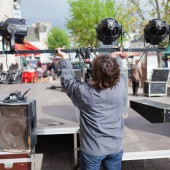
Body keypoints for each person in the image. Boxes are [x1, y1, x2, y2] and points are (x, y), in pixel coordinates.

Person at [56, 48, 127, 170]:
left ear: (95, 72)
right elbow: (119, 73)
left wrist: (65, 59)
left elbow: (68, 81)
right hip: (115, 147)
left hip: (92, 150)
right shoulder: (120, 86)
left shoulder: (85, 92)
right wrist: (115, 58)